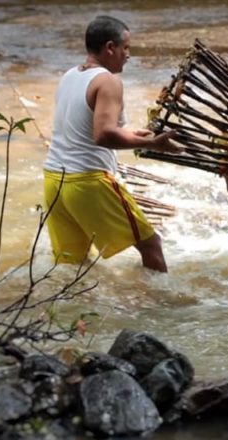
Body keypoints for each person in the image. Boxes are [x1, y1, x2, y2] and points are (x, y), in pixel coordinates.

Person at [43, 15, 179, 272]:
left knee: (72, 266)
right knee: (151, 245)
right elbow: (103, 135)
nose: (128, 54)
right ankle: (163, 310)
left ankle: (71, 311)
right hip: (87, 183)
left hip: (54, 182)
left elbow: (89, 128)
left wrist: (143, 136)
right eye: (125, 47)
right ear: (109, 47)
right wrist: (154, 145)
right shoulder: (108, 82)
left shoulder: (70, 75)